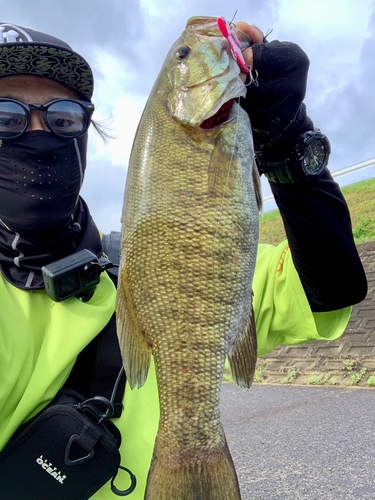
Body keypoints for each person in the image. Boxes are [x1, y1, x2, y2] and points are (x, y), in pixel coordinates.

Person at [0, 20, 367, 499]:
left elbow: (331, 289)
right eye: (5, 117)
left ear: (83, 132)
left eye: (63, 116)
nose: (38, 131)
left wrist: (289, 143)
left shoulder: (143, 267)